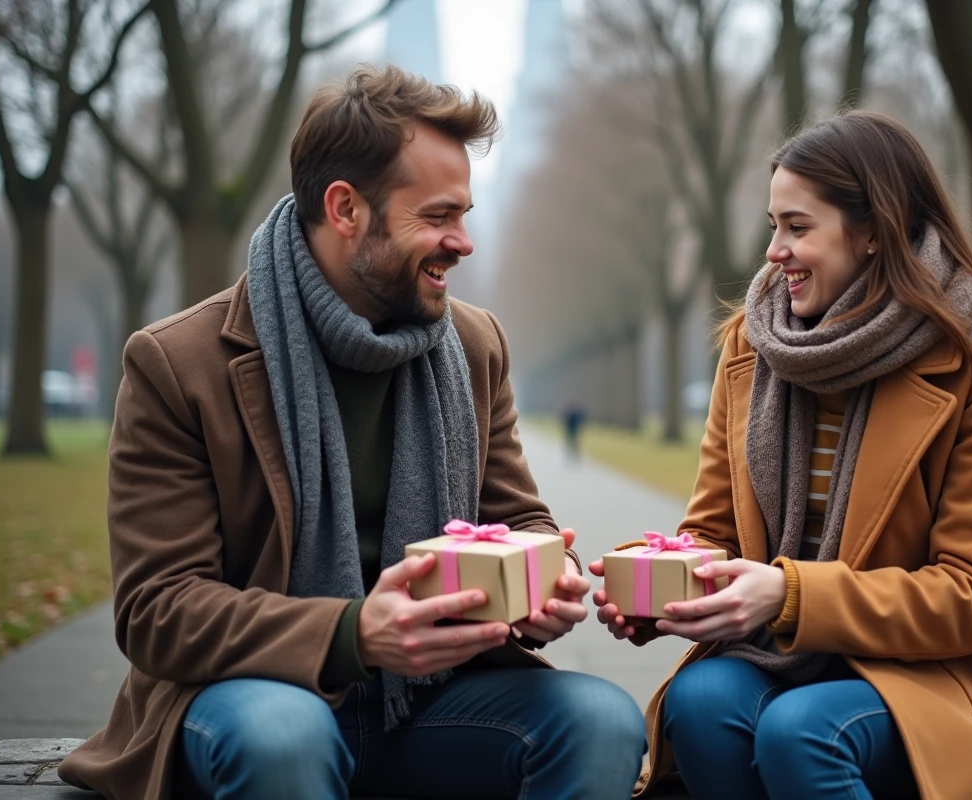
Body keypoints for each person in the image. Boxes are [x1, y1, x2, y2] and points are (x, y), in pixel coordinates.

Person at [59, 66, 645, 800]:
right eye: (438, 216)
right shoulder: (179, 363)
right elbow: (157, 610)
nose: (462, 242)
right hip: (258, 697)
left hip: (438, 699)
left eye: (465, 213)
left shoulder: (473, 344)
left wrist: (545, 583)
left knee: (602, 720)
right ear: (345, 209)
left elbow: (519, 518)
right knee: (285, 737)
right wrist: (353, 634)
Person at [590, 111, 972, 799]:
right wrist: (660, 590)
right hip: (779, 655)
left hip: (935, 671)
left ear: (873, 232)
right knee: (699, 702)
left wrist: (788, 595)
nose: (774, 251)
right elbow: (713, 533)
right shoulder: (750, 345)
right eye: (772, 225)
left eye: (797, 227)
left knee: (801, 731)